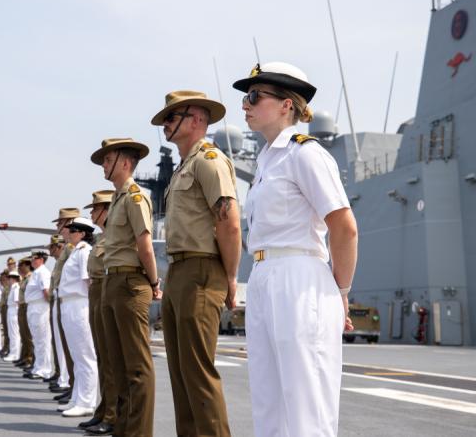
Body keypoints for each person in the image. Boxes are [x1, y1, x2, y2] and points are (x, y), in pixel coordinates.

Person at [233, 62, 358, 436]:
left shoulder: (306, 154)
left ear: (286, 104)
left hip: (299, 277)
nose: (245, 104)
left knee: (306, 402)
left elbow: (344, 227)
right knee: (268, 401)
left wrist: (342, 292)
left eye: (254, 96)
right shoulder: (268, 160)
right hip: (263, 276)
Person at [151, 90, 241, 436]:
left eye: (172, 118)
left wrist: (230, 277)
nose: (166, 124)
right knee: (181, 374)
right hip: (178, 272)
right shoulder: (183, 168)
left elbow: (229, 222)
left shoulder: (209, 160)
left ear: (198, 119)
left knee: (199, 374)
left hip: (202, 271)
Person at [90, 138, 160, 437]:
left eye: (108, 160)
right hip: (113, 281)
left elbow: (145, 245)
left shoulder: (134, 197)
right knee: (117, 365)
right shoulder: (118, 199)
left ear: (126, 163)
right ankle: (122, 428)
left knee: (137, 368)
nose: (104, 165)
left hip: (130, 283)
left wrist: (154, 283)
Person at [79, 190, 116, 435]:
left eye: (95, 209)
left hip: (106, 290)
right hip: (96, 293)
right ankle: (103, 410)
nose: (91, 213)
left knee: (110, 358)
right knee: (102, 355)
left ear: (106, 210)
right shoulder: (102, 238)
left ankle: (112, 414)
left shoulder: (115, 236)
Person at [57, 217, 98, 418]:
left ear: (82, 233)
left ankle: (87, 402)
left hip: (79, 305)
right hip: (69, 304)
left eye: (73, 230)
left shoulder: (84, 251)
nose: (69, 233)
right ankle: (77, 398)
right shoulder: (75, 251)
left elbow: (88, 280)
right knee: (76, 355)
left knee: (85, 355)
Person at [48, 233, 73, 400]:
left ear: (59, 246)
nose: (50, 250)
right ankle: (64, 378)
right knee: (60, 342)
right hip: (60, 298)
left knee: (70, 346)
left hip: (70, 299)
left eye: (52, 247)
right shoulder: (61, 259)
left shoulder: (73, 251)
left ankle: (66, 380)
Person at [24, 249, 53, 380]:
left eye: (34, 258)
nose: (32, 260)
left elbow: (46, 292)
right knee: (37, 339)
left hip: (40, 307)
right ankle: (38, 367)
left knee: (43, 340)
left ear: (41, 259)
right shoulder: (36, 272)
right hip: (33, 307)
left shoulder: (43, 272)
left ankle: (44, 370)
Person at [15, 257, 35, 370]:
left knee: (28, 335)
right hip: (22, 307)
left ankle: (30, 359)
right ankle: (25, 356)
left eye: (21, 266)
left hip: (26, 306)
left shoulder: (30, 277)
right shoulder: (24, 279)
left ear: (28, 266)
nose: (19, 268)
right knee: (24, 334)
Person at [4, 270, 22, 362]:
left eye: (9, 278)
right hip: (11, 310)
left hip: (14, 311)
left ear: (13, 279)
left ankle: (15, 354)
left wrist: (16, 314)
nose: (8, 280)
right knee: (12, 333)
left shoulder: (16, 288)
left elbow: (17, 302)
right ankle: (13, 352)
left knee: (14, 334)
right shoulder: (12, 288)